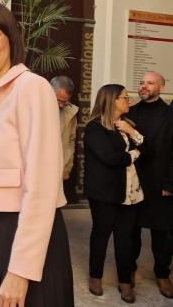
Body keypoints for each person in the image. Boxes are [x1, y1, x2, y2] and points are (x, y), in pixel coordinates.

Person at [0, 1, 73, 307]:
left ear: (11, 39)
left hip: (23, 234)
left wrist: (20, 271)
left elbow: (42, 187)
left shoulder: (32, 88)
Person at [84, 84, 144, 303]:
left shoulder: (126, 125)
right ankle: (95, 276)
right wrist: (134, 154)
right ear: (111, 100)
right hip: (104, 193)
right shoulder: (94, 128)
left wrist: (132, 134)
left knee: (126, 238)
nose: (129, 101)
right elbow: (109, 158)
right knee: (101, 235)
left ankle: (125, 282)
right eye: (125, 98)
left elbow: (146, 146)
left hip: (130, 191)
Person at [127, 71, 173, 299]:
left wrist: (170, 183)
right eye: (142, 82)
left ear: (161, 87)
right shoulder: (129, 113)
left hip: (161, 184)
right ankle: (130, 270)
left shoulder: (169, 114)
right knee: (131, 230)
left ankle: (163, 274)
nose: (144, 86)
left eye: (150, 83)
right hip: (134, 183)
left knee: (162, 233)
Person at [50, 75, 79, 181]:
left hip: (61, 172)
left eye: (65, 102)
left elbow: (71, 141)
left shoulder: (70, 112)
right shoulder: (35, 111)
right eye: (59, 100)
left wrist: (68, 167)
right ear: (48, 91)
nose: (62, 105)